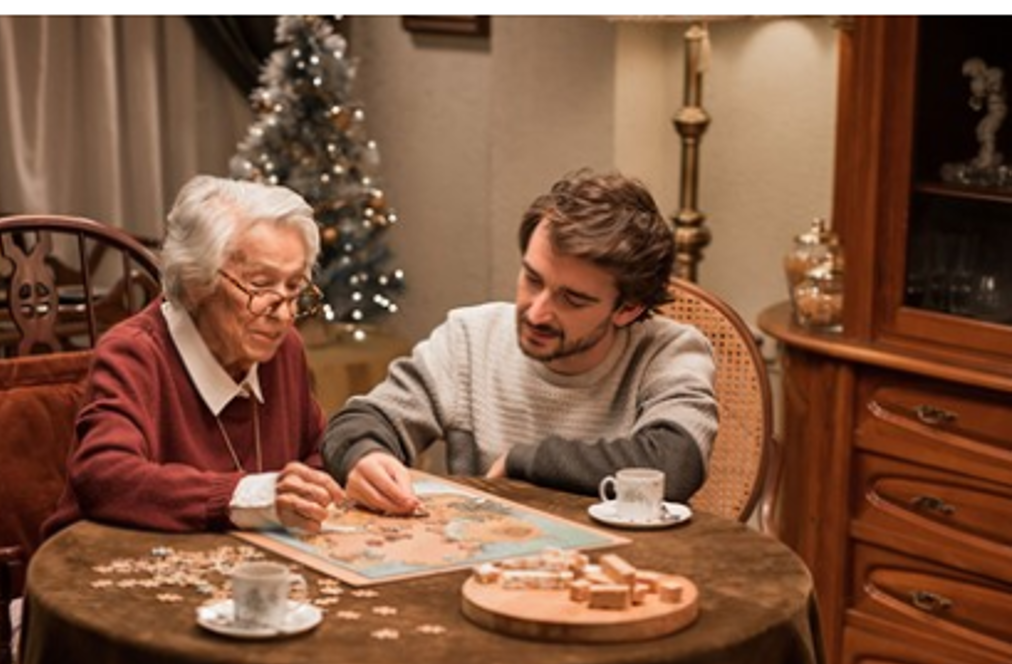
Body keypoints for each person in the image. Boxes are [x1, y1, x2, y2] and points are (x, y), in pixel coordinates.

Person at [321, 169, 718, 515]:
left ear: (627, 310)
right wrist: (363, 456)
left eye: (572, 299)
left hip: (626, 581)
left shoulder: (671, 352)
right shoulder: (469, 339)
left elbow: (672, 464)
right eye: (532, 279)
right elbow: (358, 423)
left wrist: (528, 461)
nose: (537, 312)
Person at [42, 174, 345, 538]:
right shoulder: (136, 352)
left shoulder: (283, 348)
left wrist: (345, 469)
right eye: (261, 285)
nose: (283, 314)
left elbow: (315, 452)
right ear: (197, 280)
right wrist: (248, 495)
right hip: (104, 570)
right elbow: (103, 475)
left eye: (294, 287)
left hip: (240, 572)